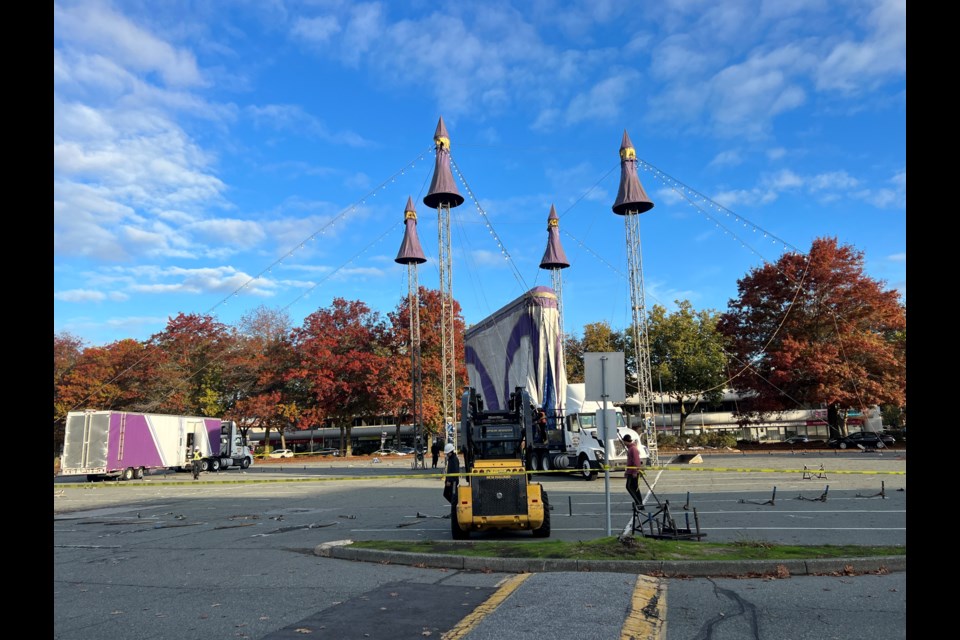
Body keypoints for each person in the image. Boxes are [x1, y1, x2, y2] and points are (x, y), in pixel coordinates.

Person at [622, 433, 644, 509]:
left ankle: (638, 503)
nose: (624, 443)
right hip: (630, 471)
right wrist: (626, 471)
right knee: (635, 488)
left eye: (624, 442)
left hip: (633, 472)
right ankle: (640, 504)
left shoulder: (633, 449)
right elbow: (630, 461)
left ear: (626, 441)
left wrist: (635, 471)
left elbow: (636, 461)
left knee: (629, 487)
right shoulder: (630, 448)